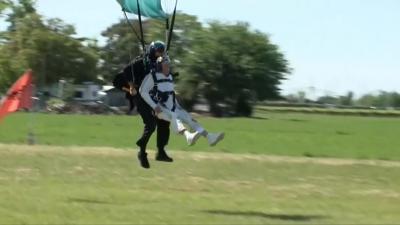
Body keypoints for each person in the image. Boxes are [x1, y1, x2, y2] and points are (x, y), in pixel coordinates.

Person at [139, 56, 225, 148]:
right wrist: (154, 106)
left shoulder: (170, 77)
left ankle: (209, 137)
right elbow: (142, 91)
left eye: (169, 65)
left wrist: (177, 105)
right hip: (159, 109)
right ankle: (188, 136)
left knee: (189, 119)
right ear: (159, 67)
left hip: (173, 106)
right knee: (174, 117)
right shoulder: (153, 77)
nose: (168, 67)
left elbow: (170, 94)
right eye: (165, 65)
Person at [114, 41, 172, 169]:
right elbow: (126, 71)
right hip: (141, 97)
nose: (159, 54)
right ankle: (142, 152)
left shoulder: (161, 62)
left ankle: (161, 152)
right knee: (151, 125)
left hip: (156, 97)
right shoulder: (140, 62)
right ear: (152, 51)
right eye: (158, 52)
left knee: (164, 121)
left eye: (161, 52)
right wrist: (130, 86)